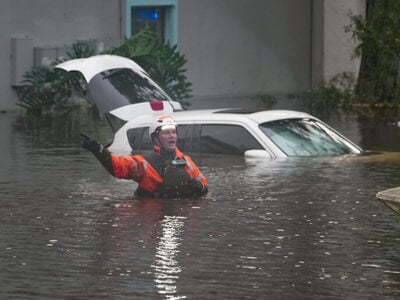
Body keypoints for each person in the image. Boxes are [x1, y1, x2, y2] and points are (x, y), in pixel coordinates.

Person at [82, 115, 208, 198]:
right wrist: (98, 150)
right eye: (166, 133)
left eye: (174, 132)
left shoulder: (186, 162)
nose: (172, 136)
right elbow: (117, 166)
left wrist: (200, 187)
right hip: (151, 217)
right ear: (155, 138)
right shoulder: (143, 164)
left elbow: (205, 187)